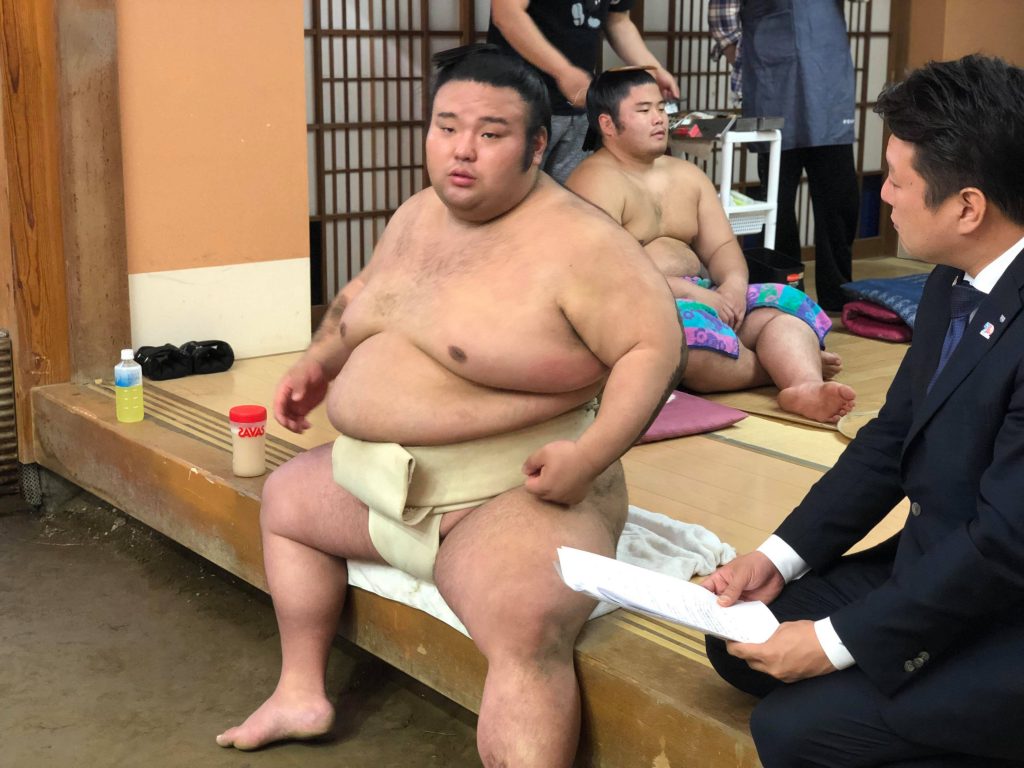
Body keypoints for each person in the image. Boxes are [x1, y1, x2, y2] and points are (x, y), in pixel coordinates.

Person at [215, 47, 684, 768]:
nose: (462, 149)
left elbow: (654, 350)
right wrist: (319, 361)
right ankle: (300, 693)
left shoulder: (583, 243)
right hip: (383, 479)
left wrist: (589, 458)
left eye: (491, 134)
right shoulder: (417, 215)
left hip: (509, 493)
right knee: (285, 500)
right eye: (446, 127)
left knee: (525, 623)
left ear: (536, 146)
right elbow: (362, 296)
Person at [702, 55, 1024, 767]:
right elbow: (890, 438)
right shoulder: (952, 279)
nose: (886, 196)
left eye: (898, 181)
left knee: (794, 729)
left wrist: (833, 642)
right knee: (739, 636)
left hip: (1005, 595)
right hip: (939, 556)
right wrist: (777, 559)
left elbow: (1005, 543)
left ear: (968, 207)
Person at [566, 68, 855, 424]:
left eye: (661, 108)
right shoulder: (594, 180)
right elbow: (609, 273)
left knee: (781, 312)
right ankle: (780, 366)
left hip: (707, 295)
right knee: (686, 341)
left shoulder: (687, 175)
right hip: (639, 305)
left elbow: (721, 248)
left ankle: (805, 385)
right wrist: (691, 294)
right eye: (643, 110)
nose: (659, 119)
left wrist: (733, 285)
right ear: (608, 124)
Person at [709, 0, 860, 312]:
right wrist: (745, 58)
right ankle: (785, 293)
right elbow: (722, 14)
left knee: (839, 200)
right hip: (772, 81)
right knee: (777, 202)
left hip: (827, 81)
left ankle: (837, 292)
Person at [487, 0, 679, 183]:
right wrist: (563, 71)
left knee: (570, 195)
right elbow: (507, 13)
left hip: (577, 104)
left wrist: (654, 69)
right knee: (514, 194)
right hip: (519, 101)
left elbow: (617, 20)